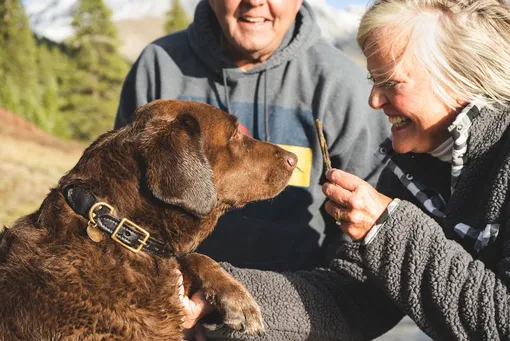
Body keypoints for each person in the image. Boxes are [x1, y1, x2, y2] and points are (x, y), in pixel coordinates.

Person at [181, 0, 510, 340]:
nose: (374, 101)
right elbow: (349, 302)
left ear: (461, 75)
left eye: (391, 82)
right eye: (372, 79)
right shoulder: (411, 170)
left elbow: (501, 322)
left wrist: (387, 228)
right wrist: (216, 296)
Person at [114, 0, 390, 273]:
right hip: (173, 301)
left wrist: (319, 307)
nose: (255, 2)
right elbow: (121, 201)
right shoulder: (160, 67)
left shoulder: (342, 85)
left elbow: (365, 236)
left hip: (300, 302)